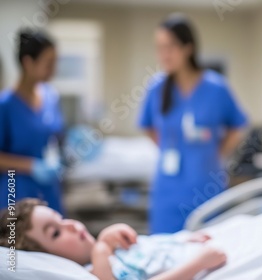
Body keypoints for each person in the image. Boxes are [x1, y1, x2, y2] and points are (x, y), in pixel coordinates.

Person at [139, 14, 248, 233]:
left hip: (206, 185)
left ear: (188, 47)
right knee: (166, 254)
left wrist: (218, 155)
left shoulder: (216, 88)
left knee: (208, 254)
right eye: (159, 48)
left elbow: (239, 126)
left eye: (169, 47)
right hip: (167, 189)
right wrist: (167, 146)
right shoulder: (157, 88)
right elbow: (146, 126)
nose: (163, 55)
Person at [0, 198, 227, 280]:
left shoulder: (108, 248)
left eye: (61, 219)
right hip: (206, 264)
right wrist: (199, 262)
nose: (70, 225)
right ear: (45, 257)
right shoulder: (94, 271)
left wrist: (182, 240)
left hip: (198, 248)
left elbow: (148, 247)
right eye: (56, 233)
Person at [0, 30, 64, 213]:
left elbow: (57, 137)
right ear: (28, 62)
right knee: (17, 238)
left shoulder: (51, 97)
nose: (54, 69)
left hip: (49, 189)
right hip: (15, 188)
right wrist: (32, 166)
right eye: (49, 63)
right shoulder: (5, 105)